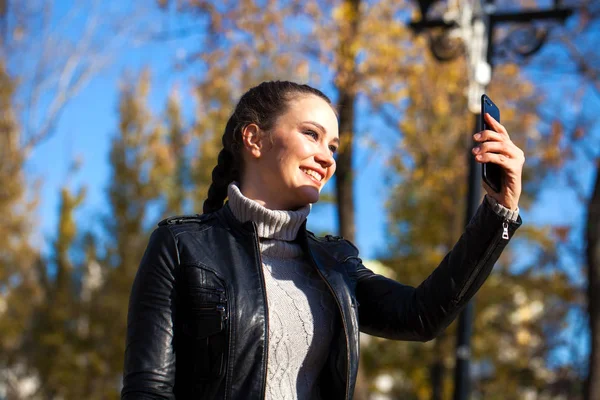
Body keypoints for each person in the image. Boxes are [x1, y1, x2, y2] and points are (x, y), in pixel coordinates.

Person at [121, 81, 524, 400]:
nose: (328, 157)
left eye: (333, 146)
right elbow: (148, 391)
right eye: (311, 135)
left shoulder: (335, 264)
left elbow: (421, 315)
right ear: (254, 139)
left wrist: (499, 211)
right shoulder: (181, 246)